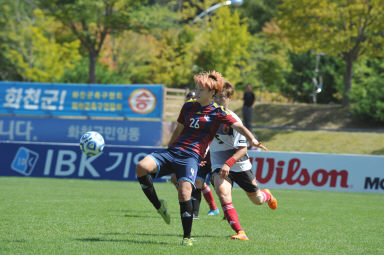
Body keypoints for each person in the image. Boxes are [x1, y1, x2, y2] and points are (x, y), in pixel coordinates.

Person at [136, 71, 266, 246]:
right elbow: (178, 129)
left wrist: (253, 139)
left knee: (184, 192)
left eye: (200, 89)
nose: (196, 92)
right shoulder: (188, 106)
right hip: (174, 151)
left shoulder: (218, 112)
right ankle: (159, 206)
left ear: (212, 93)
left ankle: (186, 238)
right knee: (141, 167)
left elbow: (238, 126)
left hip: (191, 156)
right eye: (196, 88)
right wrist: (169, 147)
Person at [210, 81, 277, 241]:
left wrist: (228, 163)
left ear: (229, 98)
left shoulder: (233, 120)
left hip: (239, 165)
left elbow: (243, 149)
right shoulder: (208, 115)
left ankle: (266, 195)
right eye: (216, 97)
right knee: (222, 192)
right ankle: (240, 232)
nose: (218, 100)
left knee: (257, 200)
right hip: (219, 164)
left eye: (222, 97)